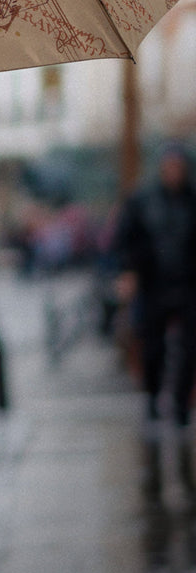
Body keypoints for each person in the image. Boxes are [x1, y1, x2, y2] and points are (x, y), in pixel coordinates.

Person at [113, 145, 196, 503]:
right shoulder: (143, 200)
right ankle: (152, 398)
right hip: (154, 285)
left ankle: (178, 406)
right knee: (154, 347)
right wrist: (129, 273)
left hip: (189, 285)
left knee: (190, 347)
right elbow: (125, 240)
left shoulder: (191, 199)